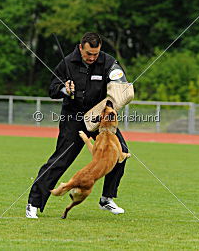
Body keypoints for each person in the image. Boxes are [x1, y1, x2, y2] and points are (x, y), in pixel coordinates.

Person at [26, 32, 129, 219]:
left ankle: (107, 198)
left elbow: (120, 82)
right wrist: (64, 89)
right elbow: (52, 89)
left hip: (100, 118)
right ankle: (33, 203)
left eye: (95, 54)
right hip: (73, 118)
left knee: (120, 153)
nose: (92, 58)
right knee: (61, 160)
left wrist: (114, 95)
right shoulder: (67, 63)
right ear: (81, 48)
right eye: (89, 54)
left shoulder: (107, 62)